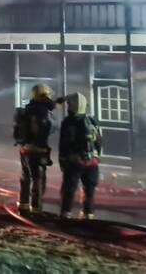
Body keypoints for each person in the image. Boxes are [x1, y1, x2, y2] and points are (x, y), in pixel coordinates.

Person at [58, 91, 103, 219]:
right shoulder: (93, 121)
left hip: (74, 161)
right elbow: (99, 141)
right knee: (89, 191)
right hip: (92, 162)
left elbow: (64, 143)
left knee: (69, 189)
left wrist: (62, 160)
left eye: (68, 105)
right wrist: (95, 157)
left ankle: (65, 214)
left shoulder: (68, 122)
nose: (67, 107)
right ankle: (88, 215)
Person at [14, 83, 57, 215]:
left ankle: (24, 205)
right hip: (37, 150)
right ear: (44, 96)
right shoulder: (42, 111)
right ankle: (36, 209)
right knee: (38, 179)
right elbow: (49, 128)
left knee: (25, 177)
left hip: (25, 149)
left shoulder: (28, 109)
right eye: (48, 95)